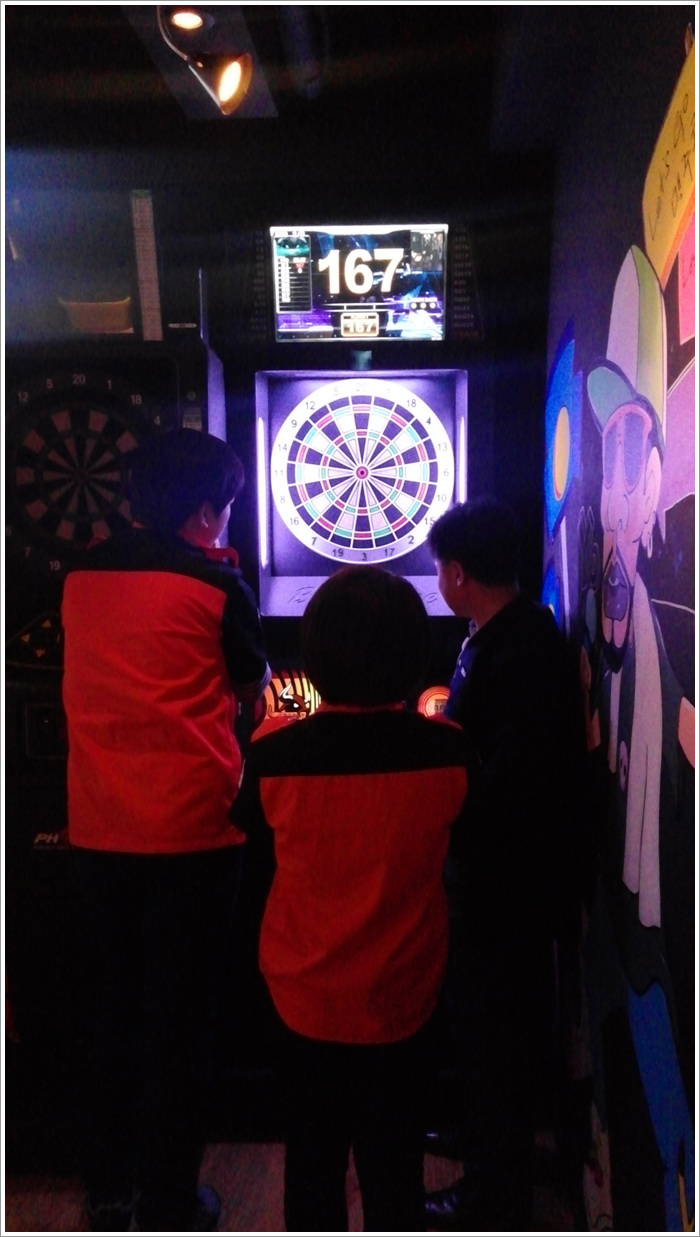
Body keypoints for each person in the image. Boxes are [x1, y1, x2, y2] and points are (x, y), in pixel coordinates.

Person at [61, 428, 271, 1232]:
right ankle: (170, 1200)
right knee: (181, 1022)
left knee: (118, 1005)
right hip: (192, 830)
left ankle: (108, 1189)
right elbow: (253, 687)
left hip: (98, 825)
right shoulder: (216, 584)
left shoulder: (82, 575)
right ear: (207, 510)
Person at [232, 565, 468, 1232]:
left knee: (312, 1162)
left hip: (302, 991)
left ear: (314, 651)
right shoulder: (448, 753)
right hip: (405, 990)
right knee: (395, 1165)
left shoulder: (274, 754)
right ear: (415, 651)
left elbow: (250, 842)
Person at [424, 497, 584, 1232]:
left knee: (497, 1034)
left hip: (504, 884)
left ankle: (494, 1192)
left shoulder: (517, 651)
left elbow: (510, 781)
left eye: (440, 570)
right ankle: (484, 1144)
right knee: (486, 1028)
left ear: (458, 573)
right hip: (503, 878)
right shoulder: (515, 633)